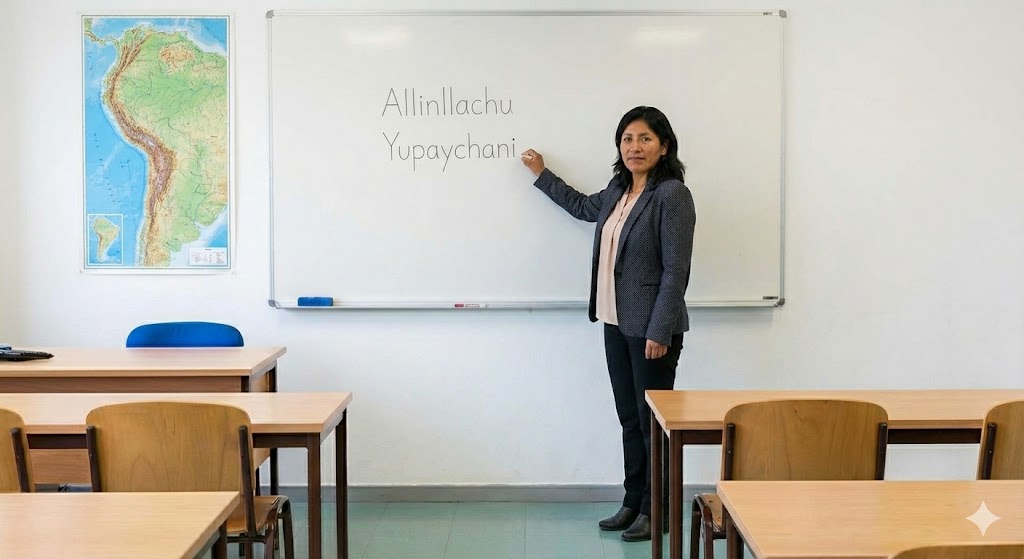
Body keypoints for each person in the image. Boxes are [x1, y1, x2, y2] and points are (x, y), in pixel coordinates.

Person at [521, 106, 695, 542]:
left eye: (644, 139)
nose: (634, 147)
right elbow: (583, 207)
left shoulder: (671, 195)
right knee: (629, 419)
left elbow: (677, 270)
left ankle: (658, 512)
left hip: (651, 329)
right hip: (615, 321)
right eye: (627, 139)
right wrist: (542, 174)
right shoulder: (620, 188)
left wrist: (660, 330)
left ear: (664, 146)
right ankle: (633, 502)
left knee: (651, 421)